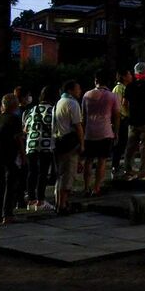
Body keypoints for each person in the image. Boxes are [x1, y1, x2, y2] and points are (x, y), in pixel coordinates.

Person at [81, 70, 119, 195]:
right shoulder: (112, 96)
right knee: (102, 161)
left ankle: (86, 187)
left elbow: (83, 116)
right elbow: (116, 116)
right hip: (105, 132)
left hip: (89, 132)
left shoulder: (86, 95)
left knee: (88, 160)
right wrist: (116, 132)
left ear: (96, 81)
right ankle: (96, 188)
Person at [0, 94, 26, 224]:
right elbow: (18, 138)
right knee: (10, 184)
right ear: (14, 105)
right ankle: (8, 213)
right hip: (10, 153)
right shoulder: (14, 119)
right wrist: (23, 154)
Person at [52, 80, 83, 214]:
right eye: (78, 89)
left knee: (60, 174)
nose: (79, 91)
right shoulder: (72, 103)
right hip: (69, 143)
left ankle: (59, 203)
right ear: (70, 90)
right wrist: (82, 144)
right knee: (68, 174)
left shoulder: (58, 103)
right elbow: (78, 126)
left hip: (58, 141)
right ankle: (63, 204)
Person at [24, 86, 56, 211]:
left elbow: (25, 128)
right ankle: (40, 201)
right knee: (43, 173)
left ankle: (31, 200)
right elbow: (55, 129)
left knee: (32, 172)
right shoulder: (52, 110)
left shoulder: (33, 109)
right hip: (45, 145)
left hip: (31, 145)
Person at [110, 68, 133, 176]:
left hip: (124, 118)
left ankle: (117, 165)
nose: (131, 75)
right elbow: (118, 106)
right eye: (129, 74)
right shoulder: (119, 88)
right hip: (121, 118)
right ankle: (115, 166)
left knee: (123, 143)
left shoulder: (125, 87)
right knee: (119, 143)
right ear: (123, 77)